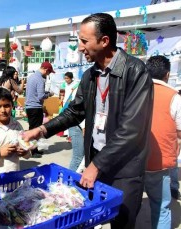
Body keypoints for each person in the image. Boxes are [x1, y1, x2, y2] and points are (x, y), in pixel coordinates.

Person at [22, 13, 153, 229]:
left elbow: (132, 130)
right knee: (94, 218)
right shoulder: (90, 75)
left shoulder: (135, 71)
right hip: (98, 159)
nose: (80, 48)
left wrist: (95, 166)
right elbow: (74, 111)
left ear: (104, 41)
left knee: (123, 222)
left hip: (125, 169)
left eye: (84, 41)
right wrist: (42, 129)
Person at [144, 55, 181, 228]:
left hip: (131, 159)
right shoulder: (174, 97)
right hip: (160, 162)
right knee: (161, 207)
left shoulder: (134, 91)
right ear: (167, 74)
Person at [25, 61, 55, 158]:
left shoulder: (31, 77)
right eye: (49, 72)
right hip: (36, 107)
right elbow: (41, 96)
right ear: (46, 70)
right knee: (35, 131)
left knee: (32, 128)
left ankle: (33, 149)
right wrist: (49, 94)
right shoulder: (40, 79)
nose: (49, 74)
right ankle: (33, 151)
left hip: (29, 107)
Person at [59, 71, 85, 171]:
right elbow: (77, 109)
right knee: (78, 157)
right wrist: (83, 126)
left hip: (83, 124)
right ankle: (69, 182)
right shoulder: (79, 88)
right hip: (77, 123)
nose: (66, 80)